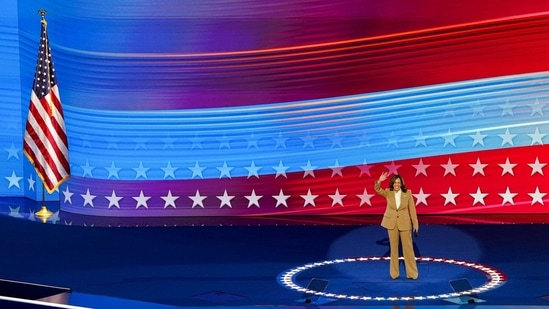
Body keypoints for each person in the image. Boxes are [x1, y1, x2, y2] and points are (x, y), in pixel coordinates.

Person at [374, 171, 419, 280]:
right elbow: (377, 189)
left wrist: (415, 223)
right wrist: (380, 180)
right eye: (395, 183)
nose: (397, 185)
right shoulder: (388, 192)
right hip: (391, 223)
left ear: (402, 183)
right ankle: (394, 274)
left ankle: (412, 273)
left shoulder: (408, 193)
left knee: (408, 249)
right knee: (394, 249)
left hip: (405, 223)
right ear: (392, 184)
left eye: (398, 183)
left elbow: (412, 210)